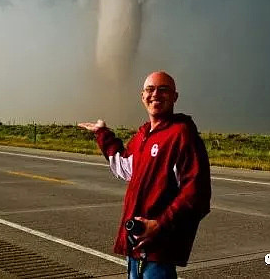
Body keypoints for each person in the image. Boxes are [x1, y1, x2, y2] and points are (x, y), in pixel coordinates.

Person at [78, 71, 211, 279]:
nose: (155, 94)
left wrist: (159, 224)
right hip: (135, 248)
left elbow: (197, 195)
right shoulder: (142, 135)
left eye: (163, 89)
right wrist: (102, 134)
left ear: (175, 96)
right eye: (150, 89)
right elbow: (125, 166)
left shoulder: (182, 135)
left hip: (158, 253)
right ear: (142, 96)